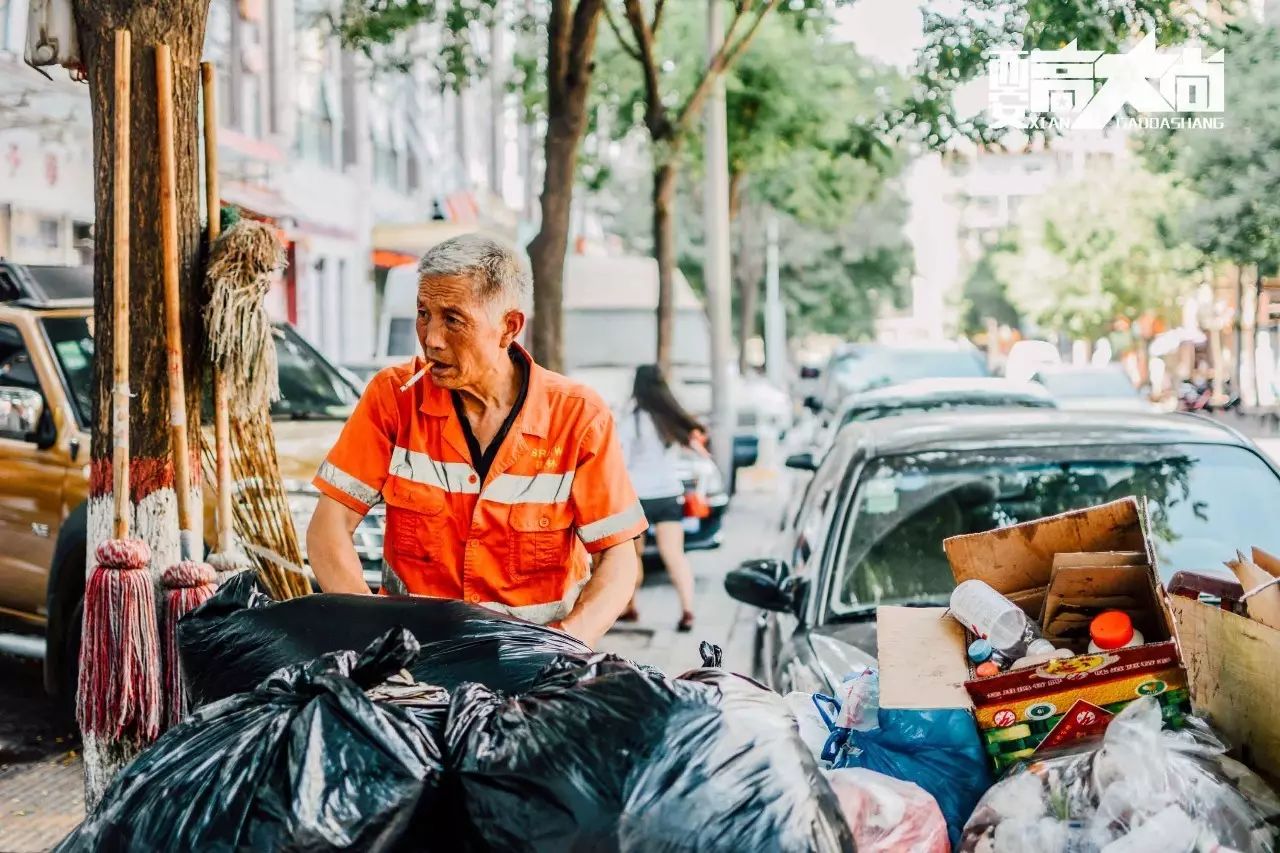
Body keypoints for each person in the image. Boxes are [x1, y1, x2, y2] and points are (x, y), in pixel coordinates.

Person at [306, 234, 647, 647]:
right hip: (413, 661)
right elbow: (329, 527)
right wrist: (370, 637)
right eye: (423, 313)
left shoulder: (578, 416)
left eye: (452, 319)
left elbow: (617, 558)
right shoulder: (393, 398)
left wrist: (565, 644)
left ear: (509, 327)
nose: (431, 337)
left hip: (532, 662)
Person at [615, 365, 705, 632]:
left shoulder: (633, 422)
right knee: (674, 555)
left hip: (637, 498)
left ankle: (630, 607)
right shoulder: (670, 420)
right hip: (668, 495)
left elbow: (622, 461)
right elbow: (696, 450)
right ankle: (688, 610)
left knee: (633, 557)